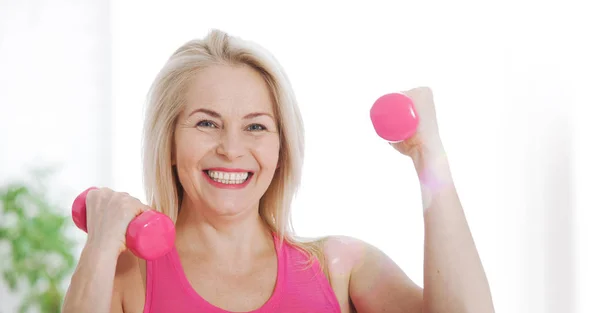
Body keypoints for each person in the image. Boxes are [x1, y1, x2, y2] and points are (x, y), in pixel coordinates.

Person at [62, 29, 495, 313]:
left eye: (256, 127)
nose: (232, 149)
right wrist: (101, 248)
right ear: (169, 144)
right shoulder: (128, 274)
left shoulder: (339, 266)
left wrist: (428, 155)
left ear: (281, 149)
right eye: (207, 123)